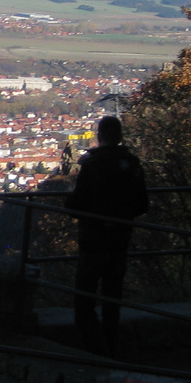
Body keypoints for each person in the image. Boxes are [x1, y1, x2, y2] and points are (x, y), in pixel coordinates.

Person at [66, 116, 148, 358]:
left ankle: (93, 351)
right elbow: (142, 203)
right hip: (120, 239)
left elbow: (76, 201)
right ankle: (111, 348)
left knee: (85, 298)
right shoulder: (132, 164)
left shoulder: (92, 164)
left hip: (93, 238)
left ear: (99, 136)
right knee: (113, 297)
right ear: (120, 136)